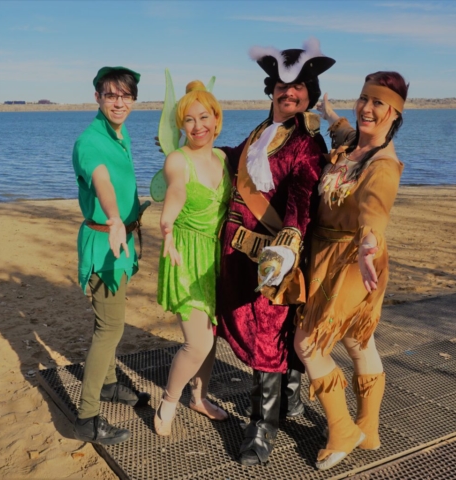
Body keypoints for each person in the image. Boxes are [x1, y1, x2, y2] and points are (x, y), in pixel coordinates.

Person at [216, 38, 335, 466]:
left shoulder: (307, 142)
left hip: (272, 255)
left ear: (309, 94)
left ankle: (262, 425)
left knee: (268, 333)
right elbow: (240, 161)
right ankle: (289, 397)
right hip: (238, 253)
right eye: (283, 87)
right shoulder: (261, 131)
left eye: (299, 87)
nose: (290, 93)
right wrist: (203, 152)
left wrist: (289, 237)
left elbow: (303, 192)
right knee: (261, 330)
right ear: (272, 90)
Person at [294, 71, 409, 470]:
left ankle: (343, 428)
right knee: (360, 342)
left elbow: (375, 208)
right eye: (364, 98)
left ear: (395, 114)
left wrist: (368, 244)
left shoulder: (383, 165)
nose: (367, 108)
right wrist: (329, 113)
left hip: (353, 259)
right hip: (327, 253)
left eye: (378, 103)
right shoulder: (353, 142)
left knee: (308, 343)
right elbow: (342, 128)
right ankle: (369, 428)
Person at [72, 66, 150, 445]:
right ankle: (87, 417)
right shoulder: (89, 142)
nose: (119, 102)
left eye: (125, 95)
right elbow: (101, 179)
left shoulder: (120, 133)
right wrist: (116, 218)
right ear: (97, 98)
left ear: (133, 99)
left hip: (122, 242)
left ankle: (108, 384)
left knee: (107, 320)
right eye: (111, 95)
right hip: (105, 245)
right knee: (110, 329)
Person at [154, 80, 231, 436]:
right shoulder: (177, 159)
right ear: (181, 125)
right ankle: (169, 401)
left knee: (209, 336)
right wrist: (167, 225)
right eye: (189, 120)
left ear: (216, 119)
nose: (198, 126)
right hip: (185, 254)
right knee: (197, 341)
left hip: (216, 255)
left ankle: (199, 398)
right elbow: (176, 190)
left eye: (203, 117)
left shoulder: (223, 158)